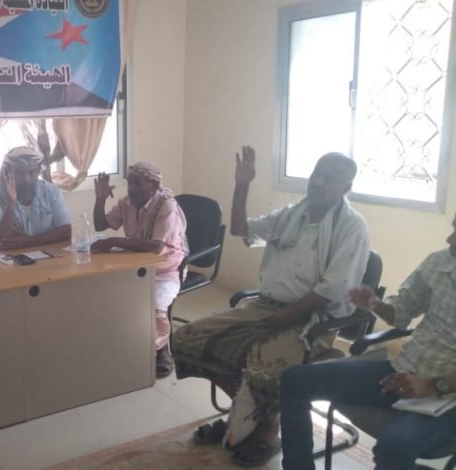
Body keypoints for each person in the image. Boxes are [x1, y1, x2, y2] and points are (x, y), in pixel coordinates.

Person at [171, 146, 370, 467]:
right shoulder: (292, 214)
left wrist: (287, 315)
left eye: (330, 178)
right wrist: (242, 184)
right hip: (266, 307)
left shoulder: (352, 226)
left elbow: (333, 287)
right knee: (189, 338)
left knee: (266, 370)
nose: (318, 181)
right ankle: (242, 415)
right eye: (317, 173)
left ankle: (267, 430)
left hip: (313, 319)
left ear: (346, 188)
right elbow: (241, 229)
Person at [280, 218, 456, 470]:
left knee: (394, 447)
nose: (450, 239)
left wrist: (432, 384)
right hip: (401, 372)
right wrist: (375, 304)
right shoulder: (440, 262)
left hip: (446, 397)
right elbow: (403, 312)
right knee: (294, 380)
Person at [91, 161, 188, 378]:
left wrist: (114, 241)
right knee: (108, 293)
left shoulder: (167, 207)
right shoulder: (127, 203)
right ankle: (127, 342)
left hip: (165, 270)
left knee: (154, 305)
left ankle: (161, 351)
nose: (131, 188)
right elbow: (100, 225)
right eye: (129, 183)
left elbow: (156, 247)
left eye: (137, 183)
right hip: (135, 266)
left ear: (153, 184)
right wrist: (100, 199)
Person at [0, 146, 71, 251]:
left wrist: (29, 241)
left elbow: (66, 232)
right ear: (7, 173)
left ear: (38, 171)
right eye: (19, 173)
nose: (26, 180)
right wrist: (10, 203)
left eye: (31, 172)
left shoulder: (51, 192)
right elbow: (0, 242)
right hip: (6, 259)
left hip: (45, 258)